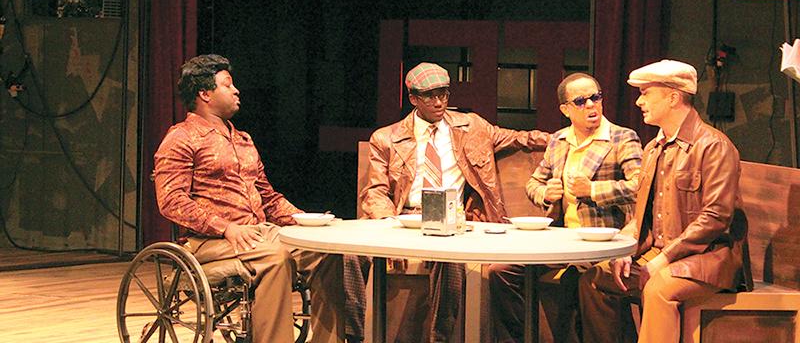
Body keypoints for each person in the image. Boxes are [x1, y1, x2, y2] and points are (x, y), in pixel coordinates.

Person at [344, 62, 550, 343]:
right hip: (403, 219)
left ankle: (440, 338)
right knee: (350, 254)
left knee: (449, 255)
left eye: (444, 94)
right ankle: (351, 335)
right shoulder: (387, 138)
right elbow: (376, 190)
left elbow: (520, 139)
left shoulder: (472, 127)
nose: (439, 102)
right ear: (414, 99)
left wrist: (563, 139)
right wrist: (386, 224)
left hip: (451, 218)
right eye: (430, 96)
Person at [153, 54, 345, 343]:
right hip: (209, 241)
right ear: (205, 94)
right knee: (275, 257)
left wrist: (306, 221)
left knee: (326, 252)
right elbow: (171, 200)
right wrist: (225, 227)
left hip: (256, 233)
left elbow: (268, 197)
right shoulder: (182, 138)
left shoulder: (243, 140)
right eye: (227, 85)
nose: (236, 90)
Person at [578, 59, 745, 343]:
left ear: (672, 97)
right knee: (594, 279)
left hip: (707, 259)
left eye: (646, 93)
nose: (639, 101)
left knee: (658, 288)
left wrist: (665, 258)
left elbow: (715, 217)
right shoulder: (653, 148)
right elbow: (640, 214)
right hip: (657, 253)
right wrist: (625, 251)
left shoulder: (713, 146)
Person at [488, 73, 643, 343]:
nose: (591, 106)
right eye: (581, 101)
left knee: (583, 284)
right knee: (500, 271)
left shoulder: (621, 138)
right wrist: (546, 194)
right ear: (565, 109)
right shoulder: (559, 140)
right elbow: (534, 183)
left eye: (596, 97)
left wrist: (593, 190)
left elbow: (639, 187)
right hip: (562, 240)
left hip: (602, 241)